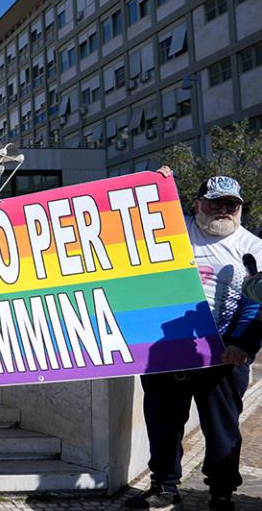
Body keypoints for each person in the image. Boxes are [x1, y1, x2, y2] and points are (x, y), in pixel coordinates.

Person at [127, 172, 262, 511]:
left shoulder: (254, 248)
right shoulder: (174, 229)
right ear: (198, 204)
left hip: (223, 354)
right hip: (165, 349)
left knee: (222, 429)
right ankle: (164, 486)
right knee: (163, 423)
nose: (223, 210)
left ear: (240, 209)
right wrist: (154, 184)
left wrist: (243, 345)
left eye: (231, 204)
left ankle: (221, 491)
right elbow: (140, 213)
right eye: (215, 202)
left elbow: (257, 302)